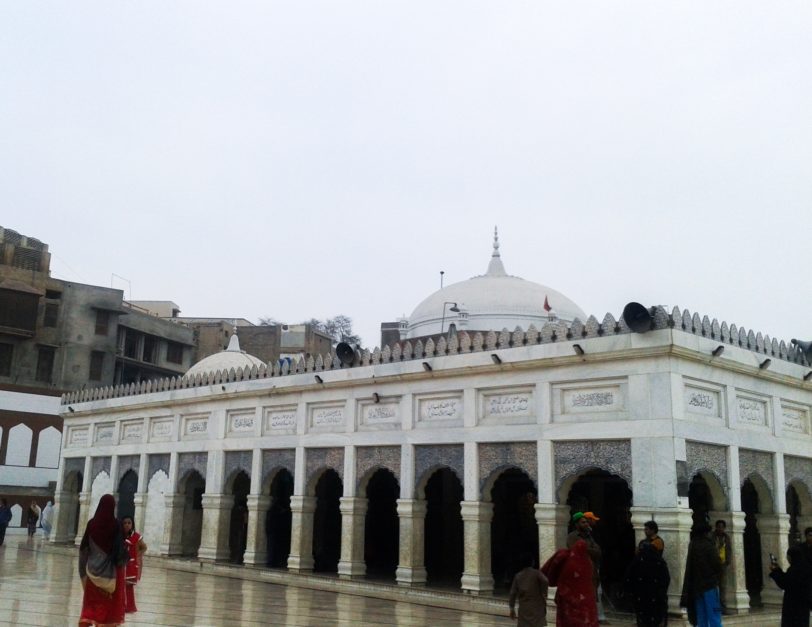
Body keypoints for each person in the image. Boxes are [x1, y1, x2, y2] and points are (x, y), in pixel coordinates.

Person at [78, 494, 127, 627]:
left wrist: (82, 572)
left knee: (91, 606)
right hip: (112, 576)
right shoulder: (117, 525)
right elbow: (121, 551)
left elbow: (84, 549)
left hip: (92, 573)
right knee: (109, 609)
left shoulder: (92, 524)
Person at [680, 522, 722, 627]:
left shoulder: (693, 544)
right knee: (714, 616)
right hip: (710, 586)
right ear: (706, 533)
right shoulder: (709, 545)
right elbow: (717, 565)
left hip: (697, 587)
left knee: (701, 617)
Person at [568, 512, 603, 623]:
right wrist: (589, 550)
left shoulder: (588, 536)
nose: (586, 524)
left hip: (591, 573)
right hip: (579, 573)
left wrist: (587, 549)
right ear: (577, 524)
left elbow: (598, 551)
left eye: (586, 522)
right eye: (583, 522)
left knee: (592, 598)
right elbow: (577, 551)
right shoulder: (572, 537)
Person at [624, 542, 670, 627]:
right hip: (657, 597)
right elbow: (666, 579)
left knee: (644, 620)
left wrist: (631, 593)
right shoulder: (660, 561)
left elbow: (628, 578)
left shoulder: (637, 562)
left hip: (641, 598)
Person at [554, 539, 599, 627]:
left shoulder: (568, 563)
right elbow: (594, 580)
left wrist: (558, 594)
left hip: (570, 598)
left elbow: (562, 581)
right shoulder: (589, 563)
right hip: (584, 598)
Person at [769, 544, 811, 627]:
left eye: (788, 556)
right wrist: (778, 570)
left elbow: (785, 583)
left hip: (793, 605)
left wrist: (775, 572)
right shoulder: (806, 567)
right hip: (804, 604)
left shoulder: (794, 569)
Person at [509, 552, 549, 626]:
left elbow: (512, 593)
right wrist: (544, 592)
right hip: (537, 605)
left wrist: (512, 608)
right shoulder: (536, 573)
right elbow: (545, 581)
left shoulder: (518, 576)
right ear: (532, 562)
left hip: (524, 606)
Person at [122, 515, 147, 614]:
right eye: (125, 523)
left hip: (131, 565)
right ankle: (121, 606)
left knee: (129, 587)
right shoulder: (120, 536)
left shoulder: (136, 537)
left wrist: (137, 556)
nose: (127, 525)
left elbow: (144, 547)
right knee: (120, 586)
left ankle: (130, 607)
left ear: (132, 524)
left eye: (129, 523)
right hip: (121, 564)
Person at [712, 520, 731, 611]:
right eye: (718, 526)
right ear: (716, 527)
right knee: (713, 585)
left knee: (722, 586)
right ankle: (714, 605)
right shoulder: (712, 537)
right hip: (713, 565)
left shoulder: (726, 538)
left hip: (723, 564)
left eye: (722, 527)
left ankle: (723, 606)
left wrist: (728, 561)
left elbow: (729, 550)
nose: (720, 528)